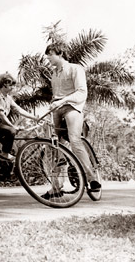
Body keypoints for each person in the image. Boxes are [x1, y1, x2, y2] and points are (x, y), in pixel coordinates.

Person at [44, 42, 101, 198]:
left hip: (72, 108)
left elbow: (82, 93)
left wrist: (63, 101)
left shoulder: (75, 69)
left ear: (60, 53)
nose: (48, 57)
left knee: (75, 141)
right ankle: (56, 187)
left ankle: (92, 179)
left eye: (50, 54)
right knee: (55, 145)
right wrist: (53, 104)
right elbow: (56, 95)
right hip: (56, 109)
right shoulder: (54, 74)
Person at [0, 74, 39, 161]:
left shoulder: (8, 98)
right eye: (11, 85)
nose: (13, 87)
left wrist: (35, 118)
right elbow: (1, 114)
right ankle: (4, 154)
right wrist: (12, 126)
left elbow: (19, 110)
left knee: (14, 150)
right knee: (11, 131)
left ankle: (8, 171)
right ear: (5, 84)